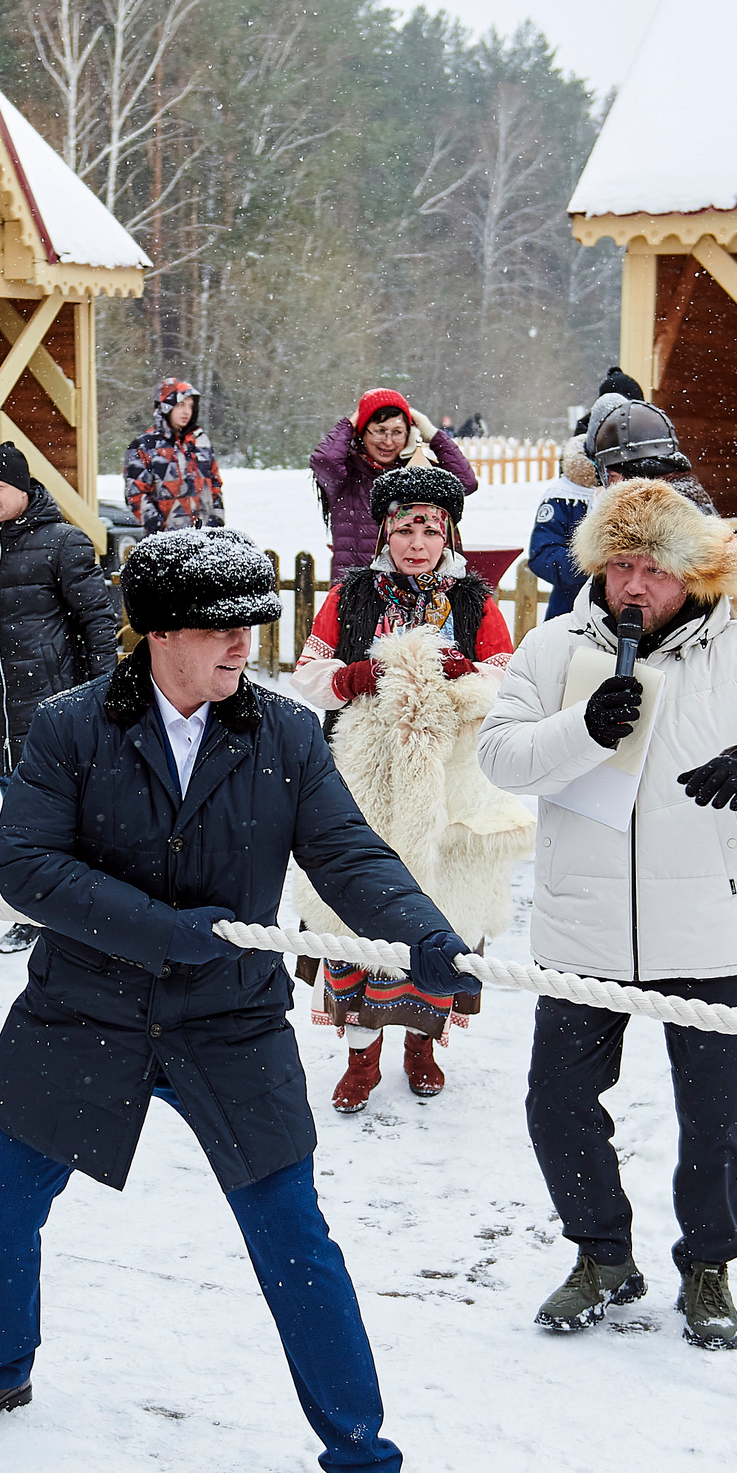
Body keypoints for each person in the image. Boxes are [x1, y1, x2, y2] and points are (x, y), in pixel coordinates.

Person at [0, 527, 480, 1473]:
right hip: (83, 1009)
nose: (242, 648)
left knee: (294, 1241)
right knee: (0, 1200)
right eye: (223, 630)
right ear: (160, 633)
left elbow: (347, 853)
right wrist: (160, 930)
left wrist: (422, 933)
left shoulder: (283, 734)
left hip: (229, 1023)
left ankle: (363, 1462)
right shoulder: (70, 729)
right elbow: (30, 867)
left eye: (250, 629)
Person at [478, 479, 737, 1352]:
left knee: (714, 1120)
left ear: (695, 574)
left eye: (654, 568)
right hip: (582, 924)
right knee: (557, 1105)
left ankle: (708, 1265)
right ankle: (602, 1254)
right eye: (621, 566)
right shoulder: (551, 643)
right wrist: (581, 727)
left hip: (709, 927)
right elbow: (499, 755)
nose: (634, 585)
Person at [291, 468, 528, 1112]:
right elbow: (307, 675)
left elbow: (508, 681)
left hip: (448, 778)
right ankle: (361, 1052)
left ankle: (421, 1043)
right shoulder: (353, 596)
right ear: (385, 532)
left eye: (429, 526)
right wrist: (351, 678)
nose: (416, 540)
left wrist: (467, 675)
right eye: (403, 527)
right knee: (360, 896)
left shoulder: (474, 600)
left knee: (438, 901)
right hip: (367, 775)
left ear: (447, 529)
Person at [0, 441, 122, 954]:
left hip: (53, 707)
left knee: (57, 816)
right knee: (17, 817)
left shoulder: (65, 543)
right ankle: (37, 908)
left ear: (22, 490)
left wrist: (108, 694)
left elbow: (98, 625)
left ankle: (69, 910)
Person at [311, 388, 480, 581]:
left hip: (411, 590)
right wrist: (353, 421)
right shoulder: (347, 476)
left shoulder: (415, 474)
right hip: (356, 593)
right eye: (380, 431)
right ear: (361, 431)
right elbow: (324, 460)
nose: (388, 441)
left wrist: (432, 434)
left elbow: (465, 482)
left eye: (397, 432)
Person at [530, 366, 651, 619]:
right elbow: (543, 554)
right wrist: (597, 566)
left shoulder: (648, 484)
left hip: (630, 617)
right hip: (571, 613)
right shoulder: (565, 493)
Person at [121, 377, 221, 533]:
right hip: (165, 541)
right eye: (181, 405)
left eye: (190, 406)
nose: (187, 411)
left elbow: (215, 485)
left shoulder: (201, 442)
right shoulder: (144, 446)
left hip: (205, 537)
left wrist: (217, 521)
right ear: (166, 406)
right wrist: (156, 527)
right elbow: (135, 494)